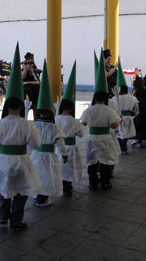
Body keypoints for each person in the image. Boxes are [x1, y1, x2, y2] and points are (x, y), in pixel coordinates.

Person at [0, 44, 41, 231]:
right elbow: (36, 144)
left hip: (3, 160)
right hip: (21, 161)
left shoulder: (0, 124)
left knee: (5, 187)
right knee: (21, 191)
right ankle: (16, 221)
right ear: (21, 107)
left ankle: (3, 216)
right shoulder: (27, 125)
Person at [30, 60, 68, 207]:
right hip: (50, 156)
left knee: (37, 174)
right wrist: (64, 155)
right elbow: (60, 143)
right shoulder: (54, 127)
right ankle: (43, 198)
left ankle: (37, 195)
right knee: (47, 175)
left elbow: (31, 141)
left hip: (37, 154)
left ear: (38, 112)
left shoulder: (34, 126)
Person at [80, 54, 121, 190]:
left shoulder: (89, 110)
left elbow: (83, 123)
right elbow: (114, 125)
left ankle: (92, 182)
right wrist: (119, 120)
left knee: (92, 161)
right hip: (105, 138)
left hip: (92, 138)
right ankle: (105, 182)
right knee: (105, 161)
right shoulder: (109, 110)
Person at [56, 61, 84, 196]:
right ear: (72, 108)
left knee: (59, 168)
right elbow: (81, 134)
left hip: (58, 148)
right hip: (71, 148)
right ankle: (67, 187)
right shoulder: (74, 121)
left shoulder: (56, 119)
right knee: (69, 168)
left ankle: (59, 186)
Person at [108, 59, 139, 155]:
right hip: (128, 118)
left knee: (120, 134)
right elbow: (136, 109)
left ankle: (122, 148)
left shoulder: (114, 99)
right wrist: (134, 115)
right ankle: (124, 148)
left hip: (118, 118)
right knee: (125, 135)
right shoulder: (132, 98)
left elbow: (112, 108)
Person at [21, 53, 40, 121]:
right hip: (28, 90)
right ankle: (24, 121)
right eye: (28, 60)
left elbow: (39, 80)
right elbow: (23, 77)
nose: (30, 62)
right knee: (27, 107)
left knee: (36, 108)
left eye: (31, 60)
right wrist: (26, 67)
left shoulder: (36, 70)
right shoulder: (24, 69)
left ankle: (36, 122)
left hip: (36, 90)